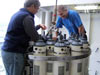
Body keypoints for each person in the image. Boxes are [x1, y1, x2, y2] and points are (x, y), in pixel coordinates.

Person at [1, 0, 46, 75]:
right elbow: (35, 36)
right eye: (37, 8)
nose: (37, 11)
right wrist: (44, 40)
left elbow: (24, 30)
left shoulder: (18, 14)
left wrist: (38, 26)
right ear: (32, 6)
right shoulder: (27, 17)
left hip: (7, 51)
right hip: (15, 53)